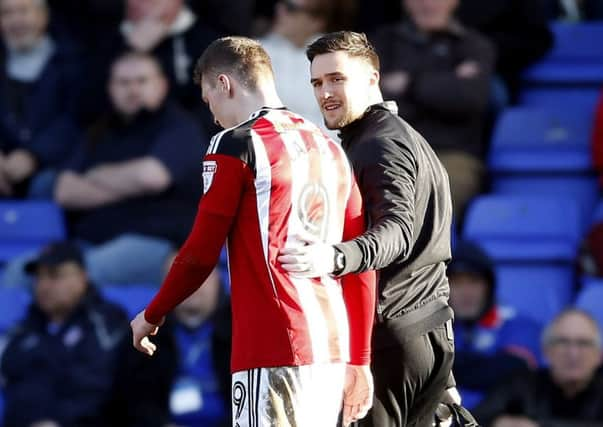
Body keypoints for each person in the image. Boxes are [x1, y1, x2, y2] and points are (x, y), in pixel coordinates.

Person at [130, 36, 377, 427]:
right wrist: (359, 360)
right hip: (331, 350)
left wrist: (153, 312)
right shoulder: (329, 148)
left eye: (209, 100)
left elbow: (200, 253)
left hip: (272, 346)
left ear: (224, 84)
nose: (213, 115)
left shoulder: (235, 144)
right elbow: (362, 262)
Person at [278, 31, 457, 427]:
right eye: (317, 82)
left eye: (337, 79)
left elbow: (398, 232)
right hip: (423, 331)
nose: (325, 92)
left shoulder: (380, 144)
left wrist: (335, 257)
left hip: (394, 339)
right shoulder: (399, 138)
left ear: (372, 79)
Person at [0, 51, 207, 287]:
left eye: (142, 81)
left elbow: (152, 177)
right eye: (123, 82)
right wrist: (131, 183)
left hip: (154, 243)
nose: (133, 89)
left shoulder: (179, 126)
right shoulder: (99, 130)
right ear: (110, 88)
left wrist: (95, 176)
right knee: (18, 273)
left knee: (71, 278)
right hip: (89, 242)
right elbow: (65, 191)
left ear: (161, 85)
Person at [0, 241, 176, 427]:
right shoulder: (24, 329)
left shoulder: (106, 322)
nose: (44, 286)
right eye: (39, 277)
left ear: (82, 277)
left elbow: (98, 387)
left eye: (54, 275)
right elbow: (17, 382)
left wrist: (57, 421)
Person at [369, 0, 495, 222]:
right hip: (393, 154)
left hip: (452, 156)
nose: (427, 4)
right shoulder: (380, 43)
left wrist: (409, 83)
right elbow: (374, 101)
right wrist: (447, 84)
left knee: (430, 207)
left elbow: (471, 99)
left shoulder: (474, 45)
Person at [0, 0, 81, 198]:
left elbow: (77, 118)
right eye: (6, 13)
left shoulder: (71, 59)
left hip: (55, 165)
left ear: (44, 16)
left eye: (23, 11)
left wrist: (34, 155)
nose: (15, 21)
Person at [448, 241, 542, 408]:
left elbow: (514, 369)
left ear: (489, 287)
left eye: (474, 281)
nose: (466, 292)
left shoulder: (517, 324)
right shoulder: (436, 326)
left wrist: (445, 366)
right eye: (457, 282)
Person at [473, 308, 603, 427]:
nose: (573, 353)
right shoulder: (522, 384)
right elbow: (470, 420)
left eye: (583, 343)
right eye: (563, 342)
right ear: (546, 351)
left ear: (599, 355)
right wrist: (497, 422)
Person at [169, 267, 231, 427]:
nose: (191, 285)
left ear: (217, 280)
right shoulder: (147, 334)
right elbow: (134, 403)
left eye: (200, 276)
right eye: (179, 277)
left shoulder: (242, 328)